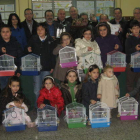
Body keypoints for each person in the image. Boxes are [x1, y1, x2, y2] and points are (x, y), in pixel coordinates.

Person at [27, 23, 56, 106]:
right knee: (37, 90)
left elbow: (52, 55)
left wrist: (52, 66)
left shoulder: (50, 40)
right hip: (35, 68)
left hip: (46, 67)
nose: (40, 31)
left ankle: (47, 106)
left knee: (47, 88)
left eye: (42, 29)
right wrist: (28, 49)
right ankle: (38, 107)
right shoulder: (33, 39)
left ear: (46, 31)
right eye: (38, 29)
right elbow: (28, 49)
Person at [0, 25, 23, 90]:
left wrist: (18, 70)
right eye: (3, 32)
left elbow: (19, 57)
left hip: (13, 71)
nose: (5, 33)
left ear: (10, 32)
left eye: (7, 31)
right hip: (1, 72)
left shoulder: (16, 43)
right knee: (4, 90)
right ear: (0, 33)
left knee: (14, 90)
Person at [125, 20, 140, 95]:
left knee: (138, 84)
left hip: (139, 64)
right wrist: (135, 49)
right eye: (134, 28)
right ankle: (130, 101)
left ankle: (137, 102)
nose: (136, 30)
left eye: (137, 28)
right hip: (131, 64)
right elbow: (127, 51)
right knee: (130, 83)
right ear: (131, 30)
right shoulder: (129, 39)